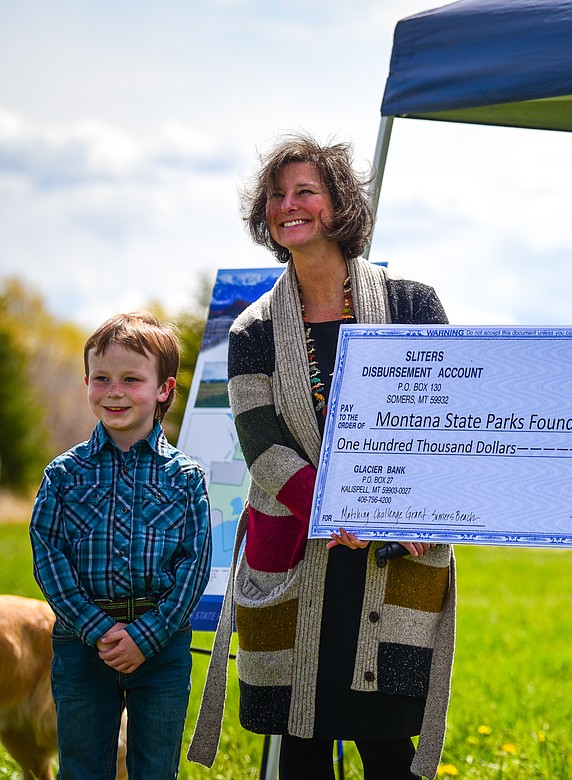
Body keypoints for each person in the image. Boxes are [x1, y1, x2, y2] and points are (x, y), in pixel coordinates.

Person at [187, 133, 455, 780]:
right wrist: (340, 511)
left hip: (396, 555)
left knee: (389, 745)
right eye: (277, 196)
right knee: (300, 746)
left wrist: (402, 514)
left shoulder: (414, 307)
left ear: (339, 206)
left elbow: (444, 424)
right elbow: (263, 445)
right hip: (298, 553)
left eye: (305, 191)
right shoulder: (252, 331)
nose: (288, 205)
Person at [30, 311, 212, 779]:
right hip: (81, 642)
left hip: (162, 644)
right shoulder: (64, 475)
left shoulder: (186, 478)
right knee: (83, 767)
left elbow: (194, 565)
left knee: (155, 769)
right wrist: (96, 629)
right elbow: (48, 556)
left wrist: (146, 635)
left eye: (132, 379)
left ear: (164, 389)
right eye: (102, 378)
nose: (114, 391)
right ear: (87, 381)